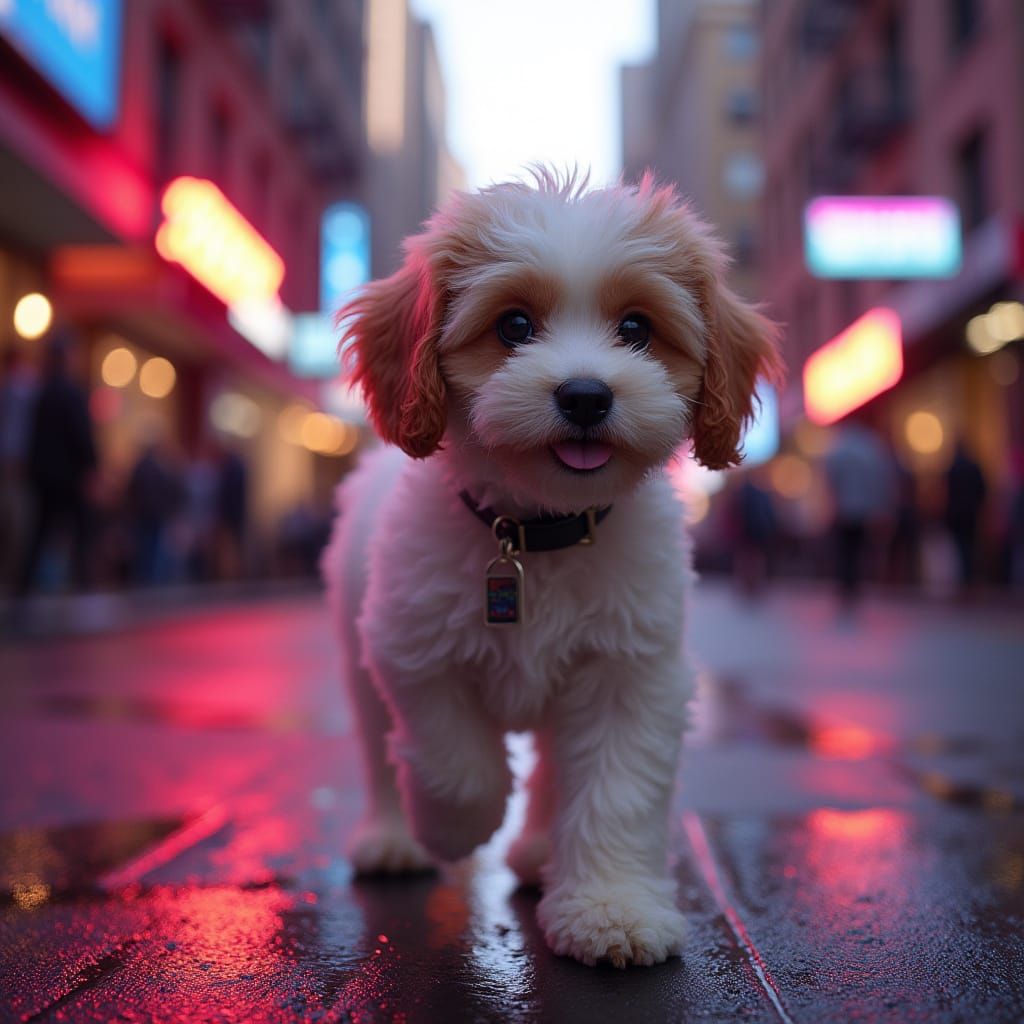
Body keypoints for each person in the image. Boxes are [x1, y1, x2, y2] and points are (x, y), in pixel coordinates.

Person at [16, 329, 97, 594]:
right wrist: (91, 468)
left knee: (39, 531)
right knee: (80, 530)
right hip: (68, 476)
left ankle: (25, 588)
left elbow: (31, 436)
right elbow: (82, 435)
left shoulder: (42, 392)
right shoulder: (71, 393)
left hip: (43, 475)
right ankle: (82, 585)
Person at [823, 418, 894, 610]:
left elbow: (831, 477)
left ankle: (845, 584)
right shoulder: (870, 449)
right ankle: (854, 584)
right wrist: (879, 506)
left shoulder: (839, 449)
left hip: (844, 509)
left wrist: (833, 503)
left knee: (844, 549)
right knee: (858, 548)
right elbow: (880, 479)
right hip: (864, 509)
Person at [0, 346, 38, 587]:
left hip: (16, 467)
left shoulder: (17, 390)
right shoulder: (20, 391)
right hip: (17, 467)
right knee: (15, 525)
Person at [944, 440, 988, 594]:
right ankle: (970, 579)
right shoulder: (974, 467)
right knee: (970, 546)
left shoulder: (953, 467)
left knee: (960, 548)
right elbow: (982, 490)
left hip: (956, 515)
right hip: (971, 514)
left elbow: (947, 492)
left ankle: (965, 580)